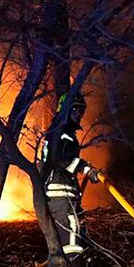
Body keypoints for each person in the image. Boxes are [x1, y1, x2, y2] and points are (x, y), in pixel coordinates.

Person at [40, 93, 101, 258]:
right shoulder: (61, 131)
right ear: (66, 110)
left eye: (81, 110)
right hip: (59, 190)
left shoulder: (60, 131)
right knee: (71, 228)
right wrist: (85, 168)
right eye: (75, 109)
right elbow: (60, 159)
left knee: (74, 228)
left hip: (61, 189)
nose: (79, 114)